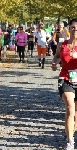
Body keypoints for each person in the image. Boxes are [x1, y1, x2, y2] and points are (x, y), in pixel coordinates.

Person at [51, 18, 77, 150]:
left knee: (76, 113)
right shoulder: (63, 44)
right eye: (73, 28)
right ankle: (70, 141)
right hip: (66, 78)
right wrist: (54, 62)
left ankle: (72, 130)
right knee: (70, 108)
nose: (75, 31)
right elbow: (56, 55)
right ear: (69, 29)